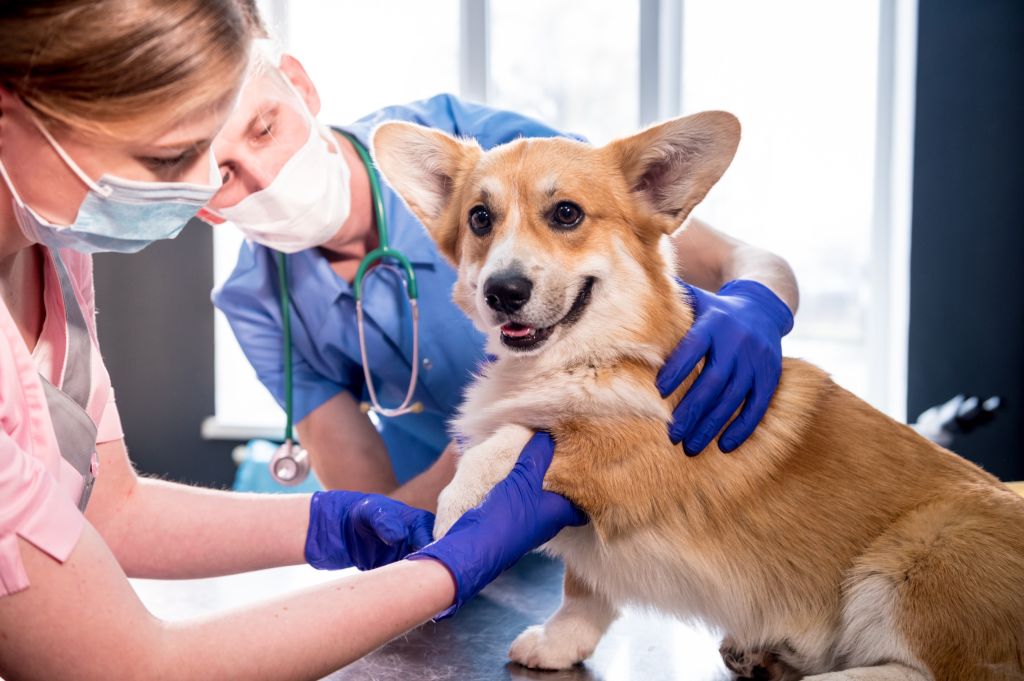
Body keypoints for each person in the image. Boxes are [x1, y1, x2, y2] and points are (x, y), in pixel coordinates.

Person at [0, 2, 585, 678]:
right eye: (169, 157)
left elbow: (109, 505)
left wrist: (326, 524)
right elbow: (135, 663)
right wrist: (446, 567)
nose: (204, 198)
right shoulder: (256, 293)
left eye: (251, 132)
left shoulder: (55, 245)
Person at [209, 35, 800, 508]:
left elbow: (737, 260)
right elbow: (369, 505)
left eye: (265, 128)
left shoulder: (501, 158)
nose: (266, 174)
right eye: (223, 169)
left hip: (611, 481)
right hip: (441, 503)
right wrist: (458, 482)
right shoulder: (256, 300)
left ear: (302, 86)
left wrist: (759, 305)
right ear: (200, 201)